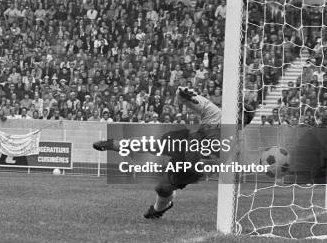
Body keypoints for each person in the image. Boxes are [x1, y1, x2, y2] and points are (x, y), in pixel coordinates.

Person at [93, 87, 253, 219]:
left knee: (162, 188)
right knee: (153, 144)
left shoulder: (235, 143)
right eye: (236, 113)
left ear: (241, 124)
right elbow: (187, 98)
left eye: (240, 119)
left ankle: (159, 209)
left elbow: (220, 168)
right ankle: (111, 144)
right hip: (186, 141)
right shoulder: (215, 113)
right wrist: (184, 93)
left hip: (195, 166)